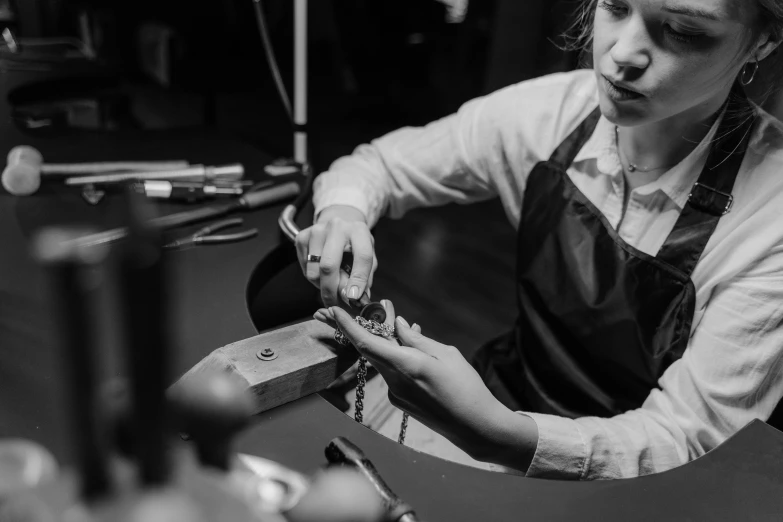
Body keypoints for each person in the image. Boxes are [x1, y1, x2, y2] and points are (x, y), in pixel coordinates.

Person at [295, 0, 783, 480]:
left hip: (628, 491)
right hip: (501, 392)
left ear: (763, 40)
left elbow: (685, 442)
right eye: (614, 5)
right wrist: (343, 214)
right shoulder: (553, 111)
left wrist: (499, 435)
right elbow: (379, 166)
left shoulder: (771, 218)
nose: (622, 53)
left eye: (681, 30)